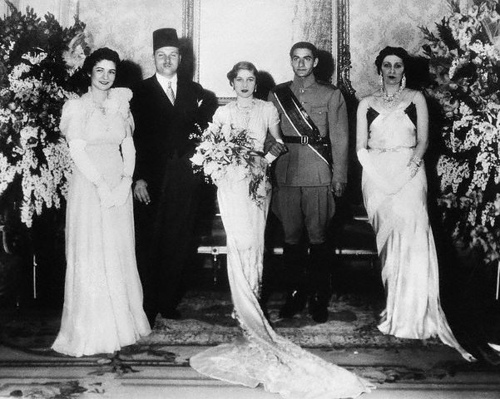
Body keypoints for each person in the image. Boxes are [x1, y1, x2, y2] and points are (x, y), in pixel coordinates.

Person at [190, 61, 373, 399]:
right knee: (237, 241)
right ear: (231, 82)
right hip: (230, 187)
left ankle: (253, 298)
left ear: (256, 83)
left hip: (258, 186)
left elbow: (277, 144)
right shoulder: (221, 113)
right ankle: (239, 302)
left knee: (255, 243)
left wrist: (261, 162)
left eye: (250, 79)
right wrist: (221, 166)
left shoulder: (267, 108)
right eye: (239, 80)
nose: (245, 85)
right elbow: (210, 150)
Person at [355, 46, 474, 362]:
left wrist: (406, 173)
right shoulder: (366, 104)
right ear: (379, 69)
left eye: (397, 65)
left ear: (403, 69)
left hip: (411, 171)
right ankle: (394, 307)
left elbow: (423, 142)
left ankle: (415, 314)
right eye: (386, 65)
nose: (392, 70)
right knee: (389, 242)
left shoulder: (417, 99)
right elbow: (360, 148)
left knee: (414, 239)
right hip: (376, 176)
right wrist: (382, 180)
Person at [52, 48, 151, 357]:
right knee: (93, 249)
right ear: (90, 73)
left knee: (117, 249)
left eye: (111, 71)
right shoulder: (76, 107)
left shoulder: (121, 104)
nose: (106, 77)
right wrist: (101, 186)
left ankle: (122, 324)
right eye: (100, 71)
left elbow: (129, 146)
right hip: (89, 184)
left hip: (117, 181)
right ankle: (92, 329)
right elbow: (78, 152)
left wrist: (124, 181)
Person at [131, 28, 217, 325]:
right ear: (153, 57)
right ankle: (148, 303)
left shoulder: (197, 93)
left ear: (180, 58)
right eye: (161, 55)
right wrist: (137, 178)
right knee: (149, 241)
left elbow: (205, 136)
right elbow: (133, 140)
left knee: (179, 240)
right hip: (150, 179)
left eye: (172, 55)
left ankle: (168, 300)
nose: (167, 60)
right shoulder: (139, 93)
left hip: (183, 178)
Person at [268, 42, 349, 323]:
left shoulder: (331, 94)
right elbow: (269, 133)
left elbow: (340, 139)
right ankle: (294, 293)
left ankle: (318, 297)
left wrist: (339, 177)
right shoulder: (277, 94)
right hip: (287, 172)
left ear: (315, 62)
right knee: (290, 239)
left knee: (318, 238)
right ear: (290, 61)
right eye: (296, 59)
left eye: (306, 59)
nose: (301, 64)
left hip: (318, 173)